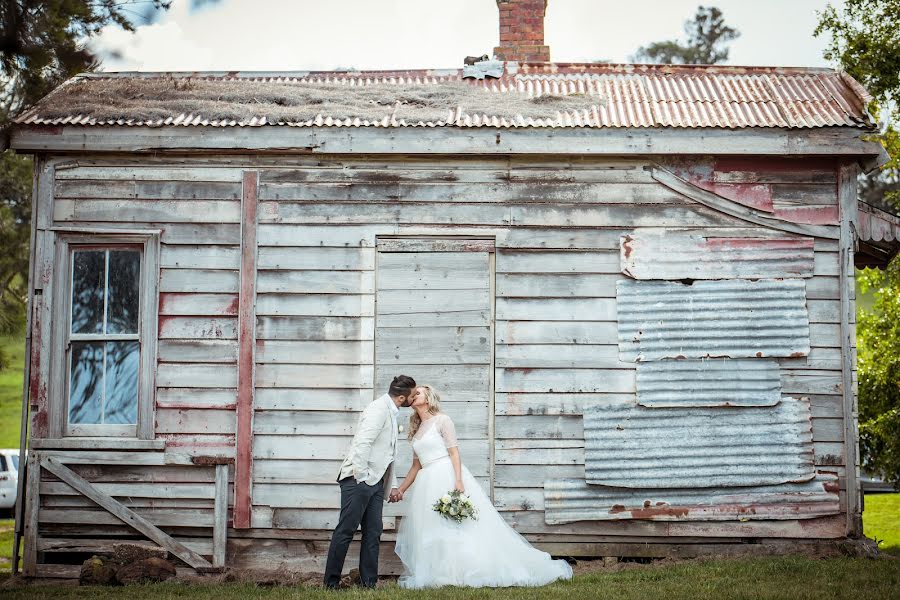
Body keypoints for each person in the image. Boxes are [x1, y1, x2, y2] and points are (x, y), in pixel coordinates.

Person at [393, 385, 573, 588]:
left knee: (458, 525)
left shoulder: (443, 420)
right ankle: (443, 573)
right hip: (427, 482)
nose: (414, 394)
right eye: (412, 393)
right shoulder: (417, 429)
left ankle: (470, 569)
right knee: (434, 529)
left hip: (445, 474)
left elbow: (454, 452)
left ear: (428, 397)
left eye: (418, 392)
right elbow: (416, 466)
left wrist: (458, 480)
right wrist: (401, 489)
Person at [323, 375, 416, 589]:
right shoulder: (378, 409)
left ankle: (369, 583)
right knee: (346, 530)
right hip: (358, 480)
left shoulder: (391, 412)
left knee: (373, 531)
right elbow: (362, 444)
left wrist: (390, 485)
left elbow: (387, 456)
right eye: (413, 394)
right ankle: (331, 583)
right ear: (402, 398)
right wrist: (362, 478)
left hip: (375, 483)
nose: (415, 398)